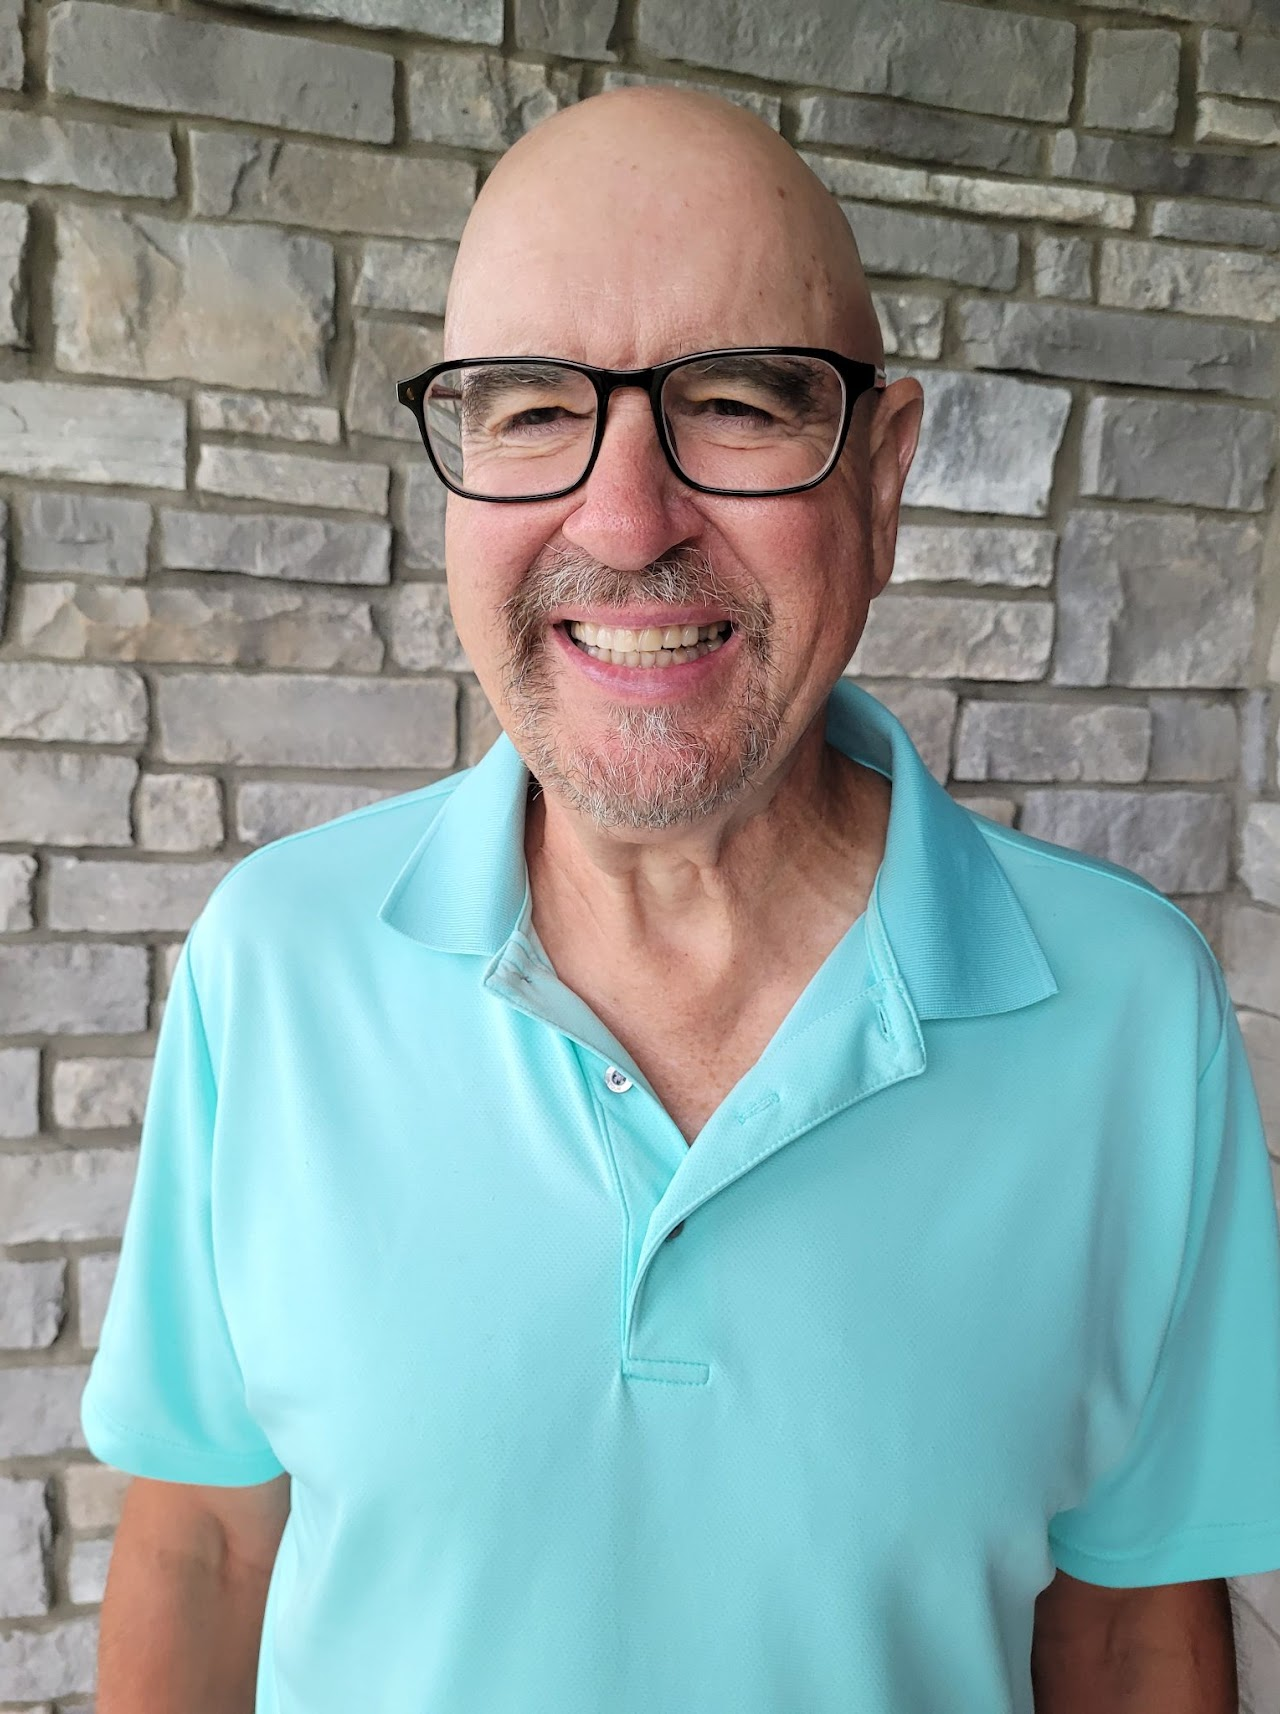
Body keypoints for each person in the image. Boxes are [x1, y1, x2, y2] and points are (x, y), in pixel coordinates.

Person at [81, 87, 1280, 1714]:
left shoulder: (1133, 1015)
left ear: (887, 473)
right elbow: (208, 1546)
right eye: (523, 411)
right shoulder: (273, 964)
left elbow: (1133, 1633)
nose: (627, 520)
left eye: (735, 403)